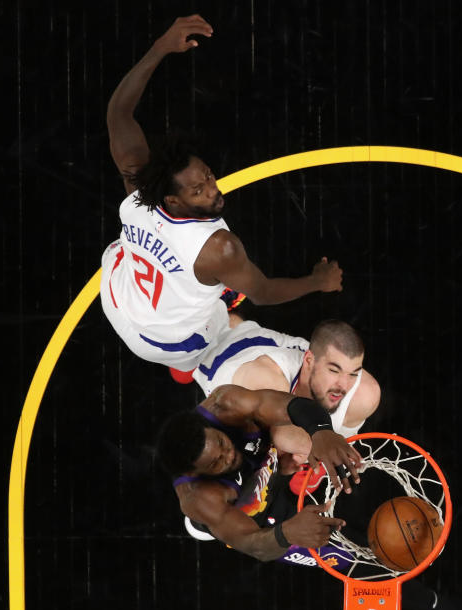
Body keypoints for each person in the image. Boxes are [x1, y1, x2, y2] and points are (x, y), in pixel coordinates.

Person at [155, 385, 462, 610]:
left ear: (212, 426)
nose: (227, 456)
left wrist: (320, 432)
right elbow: (253, 545)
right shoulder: (201, 499)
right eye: (216, 464)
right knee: (358, 563)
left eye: (222, 445)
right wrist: (288, 532)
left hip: (275, 468)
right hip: (257, 515)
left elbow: (291, 405)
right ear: (199, 473)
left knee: (344, 477)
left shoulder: (226, 403)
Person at [101, 14, 342, 373]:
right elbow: (263, 292)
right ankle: (186, 365)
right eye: (199, 190)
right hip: (167, 344)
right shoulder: (219, 247)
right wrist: (318, 282)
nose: (214, 191)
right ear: (173, 201)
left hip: (118, 299)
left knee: (126, 254)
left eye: (209, 177)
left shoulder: (140, 186)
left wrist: (160, 47)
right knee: (225, 306)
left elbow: (118, 113)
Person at [192, 313, 381, 438]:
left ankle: (312, 466)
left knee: (365, 396)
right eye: (334, 370)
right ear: (308, 361)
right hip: (206, 353)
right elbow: (283, 438)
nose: (344, 385)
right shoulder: (266, 377)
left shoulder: (354, 385)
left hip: (247, 333)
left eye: (353, 374)